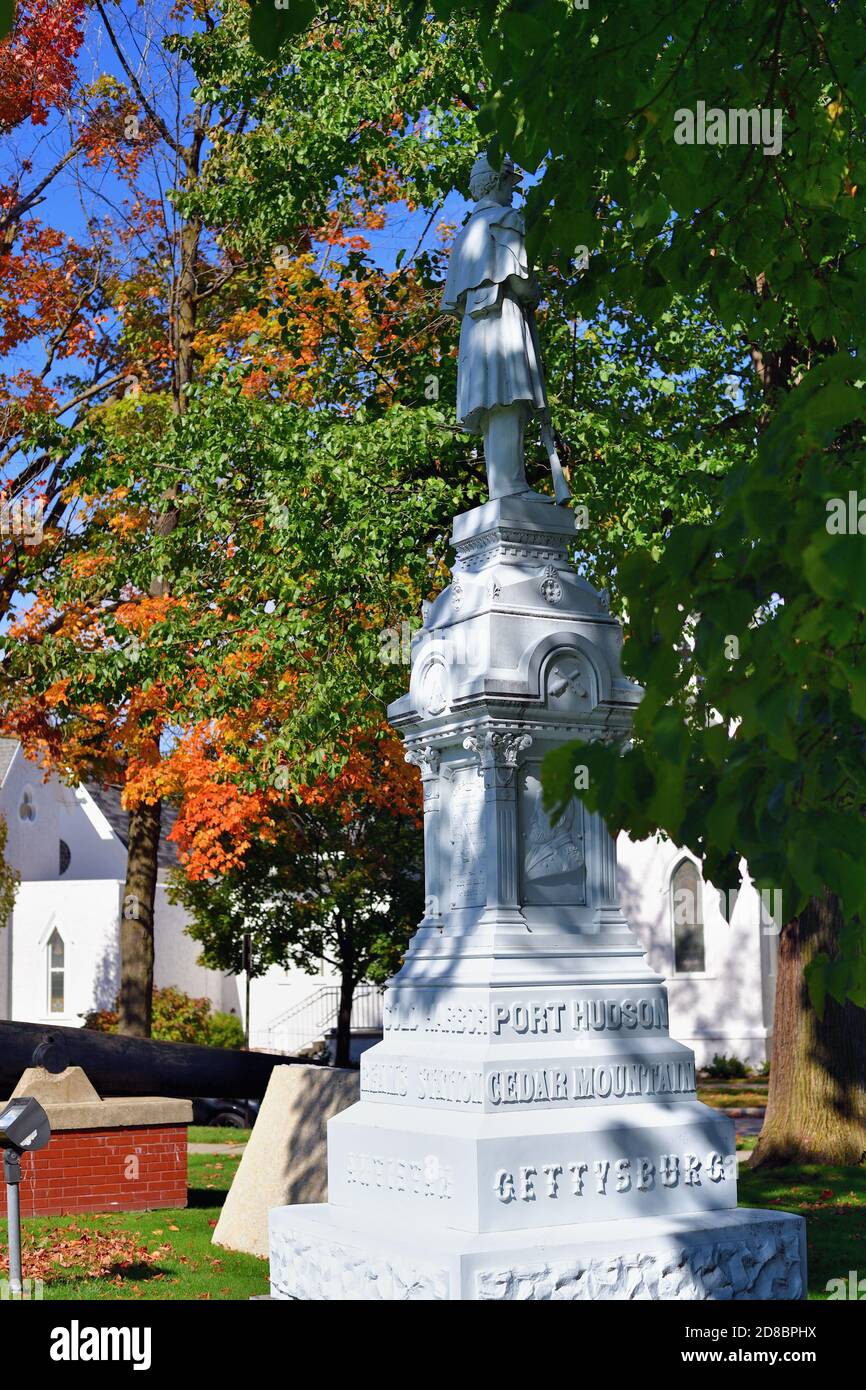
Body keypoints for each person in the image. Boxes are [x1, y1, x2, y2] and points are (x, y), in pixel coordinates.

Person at [441, 153, 570, 504]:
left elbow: (454, 303)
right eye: (510, 184)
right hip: (506, 321)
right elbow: (524, 284)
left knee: (492, 405)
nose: (513, 193)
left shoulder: (465, 235)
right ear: (497, 182)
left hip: (475, 331)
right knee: (509, 401)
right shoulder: (508, 220)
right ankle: (511, 486)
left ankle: (504, 487)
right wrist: (537, 290)